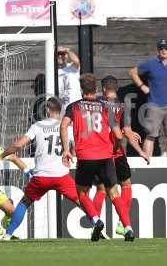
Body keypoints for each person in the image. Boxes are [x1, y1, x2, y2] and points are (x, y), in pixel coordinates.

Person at [60, 73, 134, 242]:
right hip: (105, 156)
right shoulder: (105, 107)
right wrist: (113, 148)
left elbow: (64, 125)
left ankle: (96, 220)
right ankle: (128, 228)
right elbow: (118, 135)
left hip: (86, 156)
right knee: (114, 192)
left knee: (82, 193)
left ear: (81, 90)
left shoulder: (74, 107)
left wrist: (66, 150)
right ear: (96, 89)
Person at [0, 98, 80, 240]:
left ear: (47, 110)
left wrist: (3, 154)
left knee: (24, 202)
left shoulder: (38, 125)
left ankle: (8, 234)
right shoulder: (67, 127)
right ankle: (96, 223)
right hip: (61, 175)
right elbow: (75, 149)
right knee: (81, 200)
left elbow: (18, 145)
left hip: (41, 176)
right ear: (60, 110)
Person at [93, 75, 148, 237]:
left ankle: (94, 224)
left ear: (103, 89)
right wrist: (140, 151)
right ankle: (122, 224)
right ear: (116, 89)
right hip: (116, 153)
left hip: (99, 153)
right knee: (126, 185)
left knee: (102, 189)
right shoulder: (122, 106)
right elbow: (128, 132)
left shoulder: (96, 104)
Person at [128, 39, 167, 157]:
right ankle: (147, 163)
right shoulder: (151, 64)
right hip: (154, 105)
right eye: (161, 48)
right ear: (158, 50)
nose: (163, 50)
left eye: (166, 48)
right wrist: (142, 86)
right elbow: (132, 72)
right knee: (151, 135)